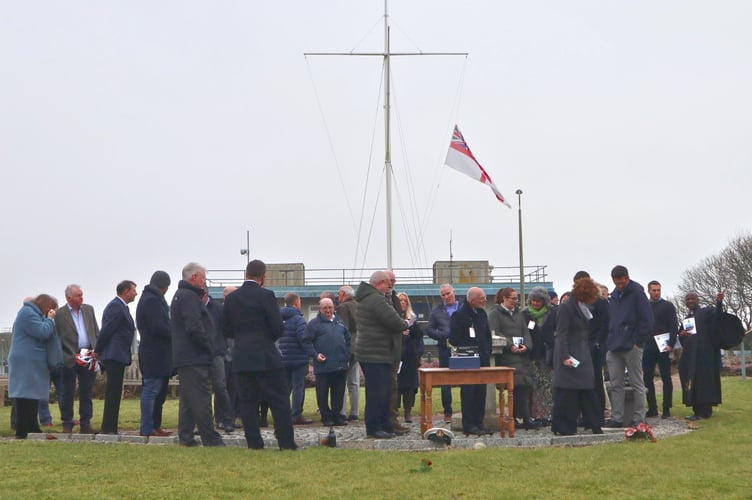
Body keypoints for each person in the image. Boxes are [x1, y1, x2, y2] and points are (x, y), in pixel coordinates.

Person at [222, 259, 297, 450]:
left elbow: (226, 329)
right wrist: (265, 339)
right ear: (263, 276)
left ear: (246, 274)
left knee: (247, 402)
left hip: (242, 356)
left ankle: (254, 443)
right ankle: (286, 442)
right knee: (279, 400)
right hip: (266, 356)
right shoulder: (266, 296)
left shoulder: (231, 299)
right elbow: (277, 327)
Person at [170, 263, 224, 447]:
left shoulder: (181, 295)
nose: (204, 281)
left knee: (188, 398)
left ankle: (186, 435)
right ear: (194, 277)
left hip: (186, 356)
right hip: (194, 355)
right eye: (202, 277)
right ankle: (210, 437)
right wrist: (208, 346)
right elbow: (194, 326)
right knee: (201, 397)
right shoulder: (189, 297)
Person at [355, 270, 409, 439]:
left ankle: (385, 424)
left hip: (374, 352)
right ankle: (374, 427)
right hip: (376, 354)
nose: (390, 287)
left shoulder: (367, 298)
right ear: (380, 283)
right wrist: (405, 323)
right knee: (377, 393)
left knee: (382, 391)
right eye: (388, 283)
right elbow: (393, 320)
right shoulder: (376, 299)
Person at [551, 278, 603, 435]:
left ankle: (593, 423)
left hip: (582, 353)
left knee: (587, 390)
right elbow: (561, 334)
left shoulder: (583, 306)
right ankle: (564, 426)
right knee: (567, 393)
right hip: (570, 356)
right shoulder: (566, 308)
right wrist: (564, 356)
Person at [604, 265, 653, 428]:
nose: (619, 286)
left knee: (636, 382)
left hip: (631, 345)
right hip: (614, 345)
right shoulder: (614, 296)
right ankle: (617, 417)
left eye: (622, 283)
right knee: (616, 383)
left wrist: (638, 342)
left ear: (627, 277)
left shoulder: (637, 293)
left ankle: (639, 418)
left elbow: (647, 319)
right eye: (617, 283)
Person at [488, 287, 539, 430]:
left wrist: (527, 346)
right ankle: (516, 417)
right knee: (516, 386)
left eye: (517, 299)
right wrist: (510, 345)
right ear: (504, 298)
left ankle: (525, 417)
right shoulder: (495, 314)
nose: (515, 301)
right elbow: (495, 333)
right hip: (507, 357)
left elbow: (526, 332)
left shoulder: (519, 314)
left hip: (522, 357)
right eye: (513, 298)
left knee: (525, 386)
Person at [8, 295, 58, 438]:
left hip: (31, 360)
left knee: (32, 395)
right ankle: (23, 430)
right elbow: (42, 332)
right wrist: (50, 319)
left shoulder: (32, 313)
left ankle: (32, 427)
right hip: (25, 361)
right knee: (24, 395)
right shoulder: (27, 313)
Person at [55, 284, 100, 434]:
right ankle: (67, 423)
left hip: (88, 355)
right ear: (69, 298)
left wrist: (97, 349)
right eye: (78, 296)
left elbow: (95, 330)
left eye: (82, 295)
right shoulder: (60, 314)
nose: (82, 298)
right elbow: (56, 337)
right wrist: (63, 355)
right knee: (68, 391)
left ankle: (85, 423)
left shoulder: (88, 309)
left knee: (86, 391)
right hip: (70, 355)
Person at [449, 287, 493, 435]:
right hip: (468, 362)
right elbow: (454, 338)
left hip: (483, 360)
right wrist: (469, 349)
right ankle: (468, 424)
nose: (485, 300)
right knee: (469, 393)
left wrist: (487, 351)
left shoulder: (482, 314)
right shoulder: (459, 315)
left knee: (481, 393)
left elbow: (487, 335)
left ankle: (479, 423)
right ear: (472, 300)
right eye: (482, 298)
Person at [96, 280, 137, 435]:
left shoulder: (122, 307)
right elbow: (106, 330)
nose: (135, 293)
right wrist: (98, 350)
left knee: (115, 392)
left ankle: (111, 427)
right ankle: (108, 428)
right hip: (114, 355)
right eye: (134, 290)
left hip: (118, 354)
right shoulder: (116, 307)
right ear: (126, 291)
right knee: (113, 392)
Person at [302, 298, 351, 426]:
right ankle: (326, 417)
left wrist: (347, 355)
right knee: (322, 393)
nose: (328, 310)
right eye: (325, 308)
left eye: (330, 307)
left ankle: (337, 415)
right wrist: (315, 355)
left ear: (334, 307)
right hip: (323, 366)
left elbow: (348, 339)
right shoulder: (314, 324)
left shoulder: (340, 321)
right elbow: (306, 342)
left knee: (339, 392)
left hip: (340, 365)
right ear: (320, 309)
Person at [136, 271, 173, 437]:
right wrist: (175, 332)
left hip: (156, 351)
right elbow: (158, 327)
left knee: (159, 392)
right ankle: (147, 427)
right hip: (154, 353)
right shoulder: (152, 301)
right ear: (164, 286)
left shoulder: (150, 299)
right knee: (152, 390)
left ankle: (154, 425)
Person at [678, 291, 724, 420]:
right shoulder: (686, 319)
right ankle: (696, 411)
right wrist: (681, 334)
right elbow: (681, 337)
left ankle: (705, 412)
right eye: (688, 299)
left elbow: (718, 316)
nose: (690, 301)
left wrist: (719, 302)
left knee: (704, 383)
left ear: (697, 300)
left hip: (704, 356)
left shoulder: (706, 313)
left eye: (692, 298)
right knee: (694, 383)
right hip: (691, 357)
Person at [426, 283, 460, 423]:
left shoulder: (464, 307)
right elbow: (429, 329)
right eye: (443, 295)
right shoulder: (436, 311)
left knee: (467, 379)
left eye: (448, 293)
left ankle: (467, 410)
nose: (446, 297)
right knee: (445, 381)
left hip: (463, 349)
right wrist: (442, 335)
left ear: (454, 292)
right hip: (445, 349)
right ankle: (448, 412)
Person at [644, 280, 678, 419]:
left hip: (663, 346)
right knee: (647, 378)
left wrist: (671, 343)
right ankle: (652, 408)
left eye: (658, 290)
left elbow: (673, 326)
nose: (656, 293)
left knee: (666, 377)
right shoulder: (644, 306)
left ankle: (666, 408)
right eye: (654, 290)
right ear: (649, 291)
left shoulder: (668, 306)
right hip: (648, 346)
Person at [521, 286, 554, 426]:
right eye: (533, 300)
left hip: (547, 354)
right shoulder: (524, 314)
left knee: (546, 385)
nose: (535, 303)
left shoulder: (552, 312)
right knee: (533, 385)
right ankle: (533, 415)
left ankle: (546, 414)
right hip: (531, 355)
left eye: (538, 301)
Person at [203, 287, 234, 433]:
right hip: (201, 354)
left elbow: (227, 329)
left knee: (220, 387)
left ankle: (227, 420)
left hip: (216, 353)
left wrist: (223, 347)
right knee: (204, 391)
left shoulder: (217, 308)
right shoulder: (195, 307)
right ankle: (206, 423)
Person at [279, 293, 313, 425]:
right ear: (297, 303)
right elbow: (303, 339)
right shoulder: (299, 320)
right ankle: (296, 415)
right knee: (298, 387)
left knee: (285, 388)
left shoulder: (279, 318)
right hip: (298, 359)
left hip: (283, 358)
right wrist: (313, 354)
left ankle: (283, 414)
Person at [384, 270, 409, 432]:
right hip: (383, 349)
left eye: (394, 280)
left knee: (393, 387)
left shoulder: (394, 298)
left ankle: (393, 420)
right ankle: (387, 421)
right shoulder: (379, 300)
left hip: (396, 349)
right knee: (386, 388)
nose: (392, 283)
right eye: (389, 280)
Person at [397, 292, 424, 424]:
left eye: (405, 301)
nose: (402, 303)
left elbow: (419, 336)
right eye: (400, 300)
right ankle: (395, 412)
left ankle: (408, 412)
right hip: (397, 355)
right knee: (396, 385)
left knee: (409, 386)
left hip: (409, 356)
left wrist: (412, 328)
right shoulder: (393, 317)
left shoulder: (412, 317)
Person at [336, 285, 359, 421]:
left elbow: (343, 329)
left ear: (344, 294)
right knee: (354, 382)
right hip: (359, 347)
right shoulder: (359, 305)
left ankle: (342, 412)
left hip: (347, 348)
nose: (338, 297)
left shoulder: (342, 308)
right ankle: (355, 412)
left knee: (342, 381)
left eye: (339, 294)